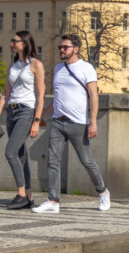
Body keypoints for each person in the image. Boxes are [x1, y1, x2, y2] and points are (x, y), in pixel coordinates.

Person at [32, 34, 111, 213]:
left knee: (86, 160)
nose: (61, 50)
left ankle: (103, 191)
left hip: (78, 123)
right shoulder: (59, 69)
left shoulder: (86, 68)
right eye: (60, 47)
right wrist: (40, 116)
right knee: (53, 160)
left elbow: (93, 96)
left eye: (65, 47)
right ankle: (53, 201)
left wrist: (93, 122)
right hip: (58, 123)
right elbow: (56, 100)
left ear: (76, 49)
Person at [1, 31, 45, 210]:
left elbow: (41, 95)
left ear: (25, 43)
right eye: (11, 41)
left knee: (10, 152)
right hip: (11, 111)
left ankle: (20, 194)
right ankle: (28, 196)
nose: (12, 43)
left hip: (26, 111)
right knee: (21, 155)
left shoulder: (36, 64)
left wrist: (36, 121)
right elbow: (6, 93)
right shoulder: (14, 65)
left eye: (15, 41)